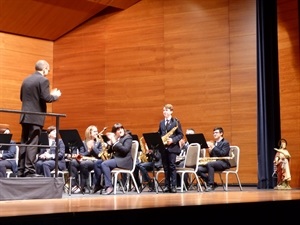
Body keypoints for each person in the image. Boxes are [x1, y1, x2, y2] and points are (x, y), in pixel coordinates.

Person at [18, 59, 62, 177]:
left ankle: (21, 170)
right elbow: (47, 98)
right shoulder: (43, 80)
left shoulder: (26, 80)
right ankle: (29, 171)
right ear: (45, 68)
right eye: (48, 69)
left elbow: (22, 97)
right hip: (35, 117)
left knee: (24, 142)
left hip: (25, 116)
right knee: (33, 143)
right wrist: (55, 96)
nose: (48, 71)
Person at [97, 123, 133, 195]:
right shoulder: (117, 138)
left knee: (105, 164)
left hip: (124, 161)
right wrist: (108, 144)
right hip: (117, 159)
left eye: (121, 128)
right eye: (118, 130)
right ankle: (98, 185)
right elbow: (110, 151)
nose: (120, 131)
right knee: (97, 163)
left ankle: (109, 187)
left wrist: (115, 142)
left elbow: (125, 150)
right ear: (115, 132)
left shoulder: (128, 138)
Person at [158, 103, 184, 193]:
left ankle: (173, 186)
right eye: (163, 110)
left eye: (166, 110)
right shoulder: (161, 122)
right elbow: (159, 133)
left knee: (172, 166)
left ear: (171, 111)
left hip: (172, 147)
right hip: (163, 148)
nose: (164, 112)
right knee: (165, 167)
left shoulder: (176, 122)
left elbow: (181, 134)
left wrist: (172, 140)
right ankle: (167, 185)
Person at [197, 127, 231, 192]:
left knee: (210, 164)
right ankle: (212, 182)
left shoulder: (225, 143)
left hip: (223, 163)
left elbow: (223, 153)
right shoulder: (214, 143)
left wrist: (213, 147)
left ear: (221, 133)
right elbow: (213, 156)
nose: (214, 134)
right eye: (213, 133)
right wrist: (210, 151)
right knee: (198, 169)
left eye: (216, 133)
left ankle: (210, 185)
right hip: (214, 163)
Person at [70, 125, 102, 194]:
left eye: (97, 131)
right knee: (72, 162)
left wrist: (93, 148)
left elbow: (99, 155)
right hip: (84, 159)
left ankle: (83, 186)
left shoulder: (99, 142)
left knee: (84, 164)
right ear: (89, 133)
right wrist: (87, 151)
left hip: (95, 161)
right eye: (94, 131)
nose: (97, 132)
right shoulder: (83, 143)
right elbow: (82, 154)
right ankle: (74, 185)